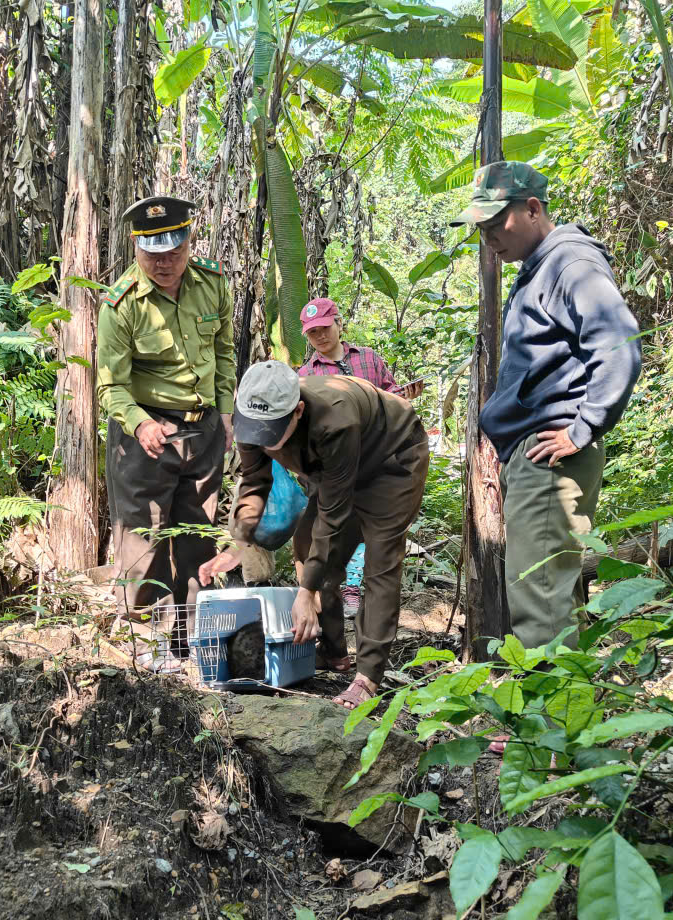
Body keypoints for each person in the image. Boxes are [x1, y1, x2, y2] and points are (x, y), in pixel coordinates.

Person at [449, 160, 641, 665]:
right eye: (481, 229)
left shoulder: (569, 263)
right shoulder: (540, 267)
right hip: (531, 456)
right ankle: (564, 723)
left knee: (540, 594)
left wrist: (582, 429)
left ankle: (545, 728)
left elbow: (619, 346)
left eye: (497, 224)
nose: (489, 238)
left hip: (549, 456)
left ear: (533, 209)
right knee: (553, 588)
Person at [199, 361, 430, 709]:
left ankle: (367, 676)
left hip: (391, 460)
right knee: (307, 546)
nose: (261, 440)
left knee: (379, 561)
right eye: (255, 429)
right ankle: (334, 652)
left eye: (270, 431)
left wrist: (306, 591)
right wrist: (240, 540)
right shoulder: (251, 418)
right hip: (334, 470)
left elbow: (333, 515)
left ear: (298, 412)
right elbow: (254, 481)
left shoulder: (336, 420)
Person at [97, 195, 235, 669]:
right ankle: (149, 644)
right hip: (145, 437)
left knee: (199, 534)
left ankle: (192, 638)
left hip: (204, 431)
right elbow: (110, 386)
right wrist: (139, 424)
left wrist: (228, 410)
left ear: (188, 241)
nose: (164, 264)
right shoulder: (120, 304)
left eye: (174, 253)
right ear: (136, 249)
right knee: (144, 539)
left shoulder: (213, 284)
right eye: (153, 255)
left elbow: (224, 349)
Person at [296, 296, 425, 618]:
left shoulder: (368, 359)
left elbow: (390, 396)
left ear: (339, 324)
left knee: (374, 529)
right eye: (313, 334)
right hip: (334, 464)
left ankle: (365, 591)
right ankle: (340, 593)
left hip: (378, 459)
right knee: (336, 526)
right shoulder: (306, 373)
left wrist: (405, 397)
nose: (321, 337)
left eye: (325, 329)